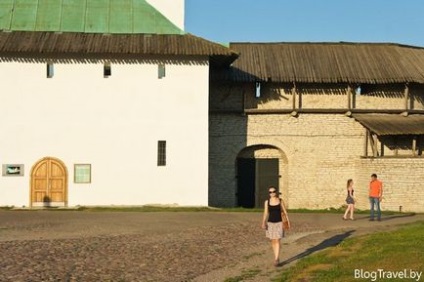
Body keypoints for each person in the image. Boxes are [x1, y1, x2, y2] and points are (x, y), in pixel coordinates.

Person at [261, 186, 290, 267]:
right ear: (269, 193)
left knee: (277, 240)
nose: (272, 193)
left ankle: (277, 259)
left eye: (273, 191)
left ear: (276, 192)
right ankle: (275, 256)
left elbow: (285, 212)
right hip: (270, 223)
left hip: (279, 223)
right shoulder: (267, 202)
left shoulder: (280, 201)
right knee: (273, 241)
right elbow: (265, 213)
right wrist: (263, 222)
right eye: (270, 192)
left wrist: (288, 222)